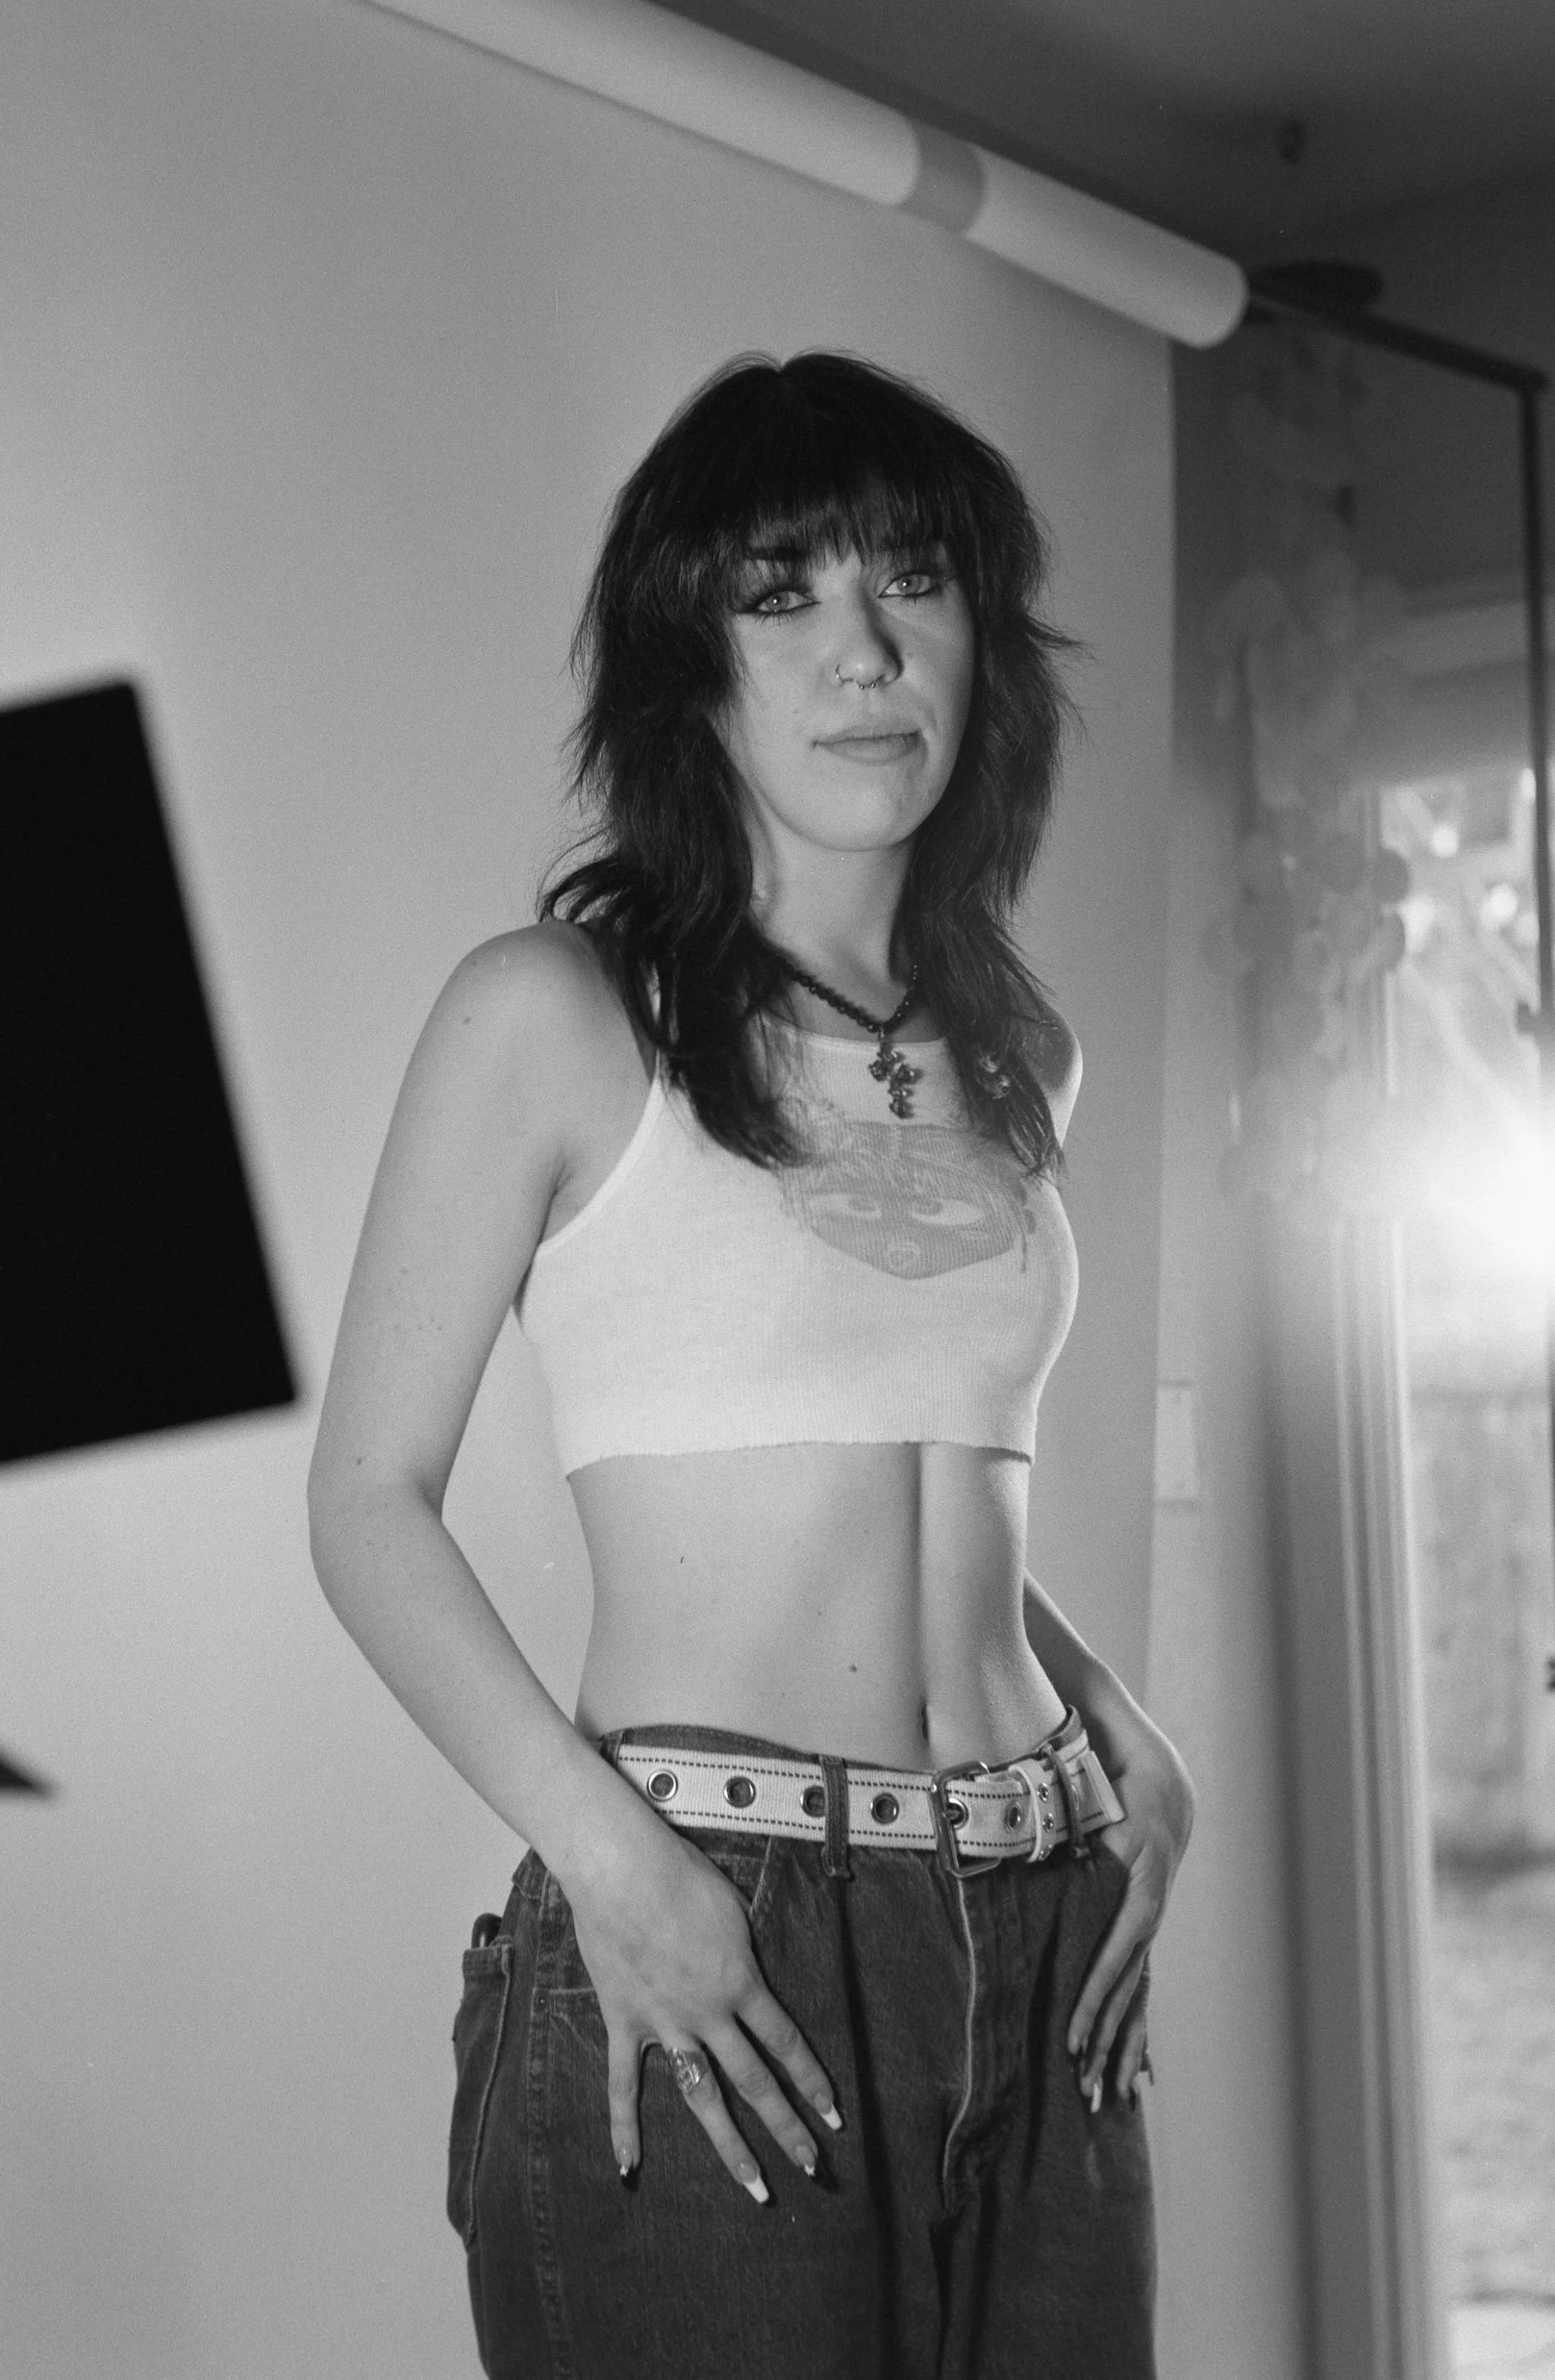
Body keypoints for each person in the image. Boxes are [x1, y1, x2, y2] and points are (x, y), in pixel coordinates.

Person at [306, 350, 1193, 2380]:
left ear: (981, 639)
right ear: (685, 671)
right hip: (726, 1913)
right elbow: (363, 1504)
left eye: (912, 582)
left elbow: (909, 1466)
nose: (862, 650)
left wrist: (1114, 1719)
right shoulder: (554, 1013)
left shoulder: (1019, 1055)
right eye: (780, 595)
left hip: (1047, 1906)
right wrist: (614, 1863)